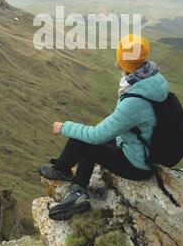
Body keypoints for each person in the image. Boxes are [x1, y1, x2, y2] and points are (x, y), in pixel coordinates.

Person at [38, 34, 169, 220]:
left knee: (82, 140)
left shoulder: (135, 99)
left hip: (137, 165)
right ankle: (78, 191)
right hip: (145, 150)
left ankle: (62, 170)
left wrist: (64, 127)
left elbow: (97, 136)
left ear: (121, 62)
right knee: (92, 139)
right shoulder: (154, 79)